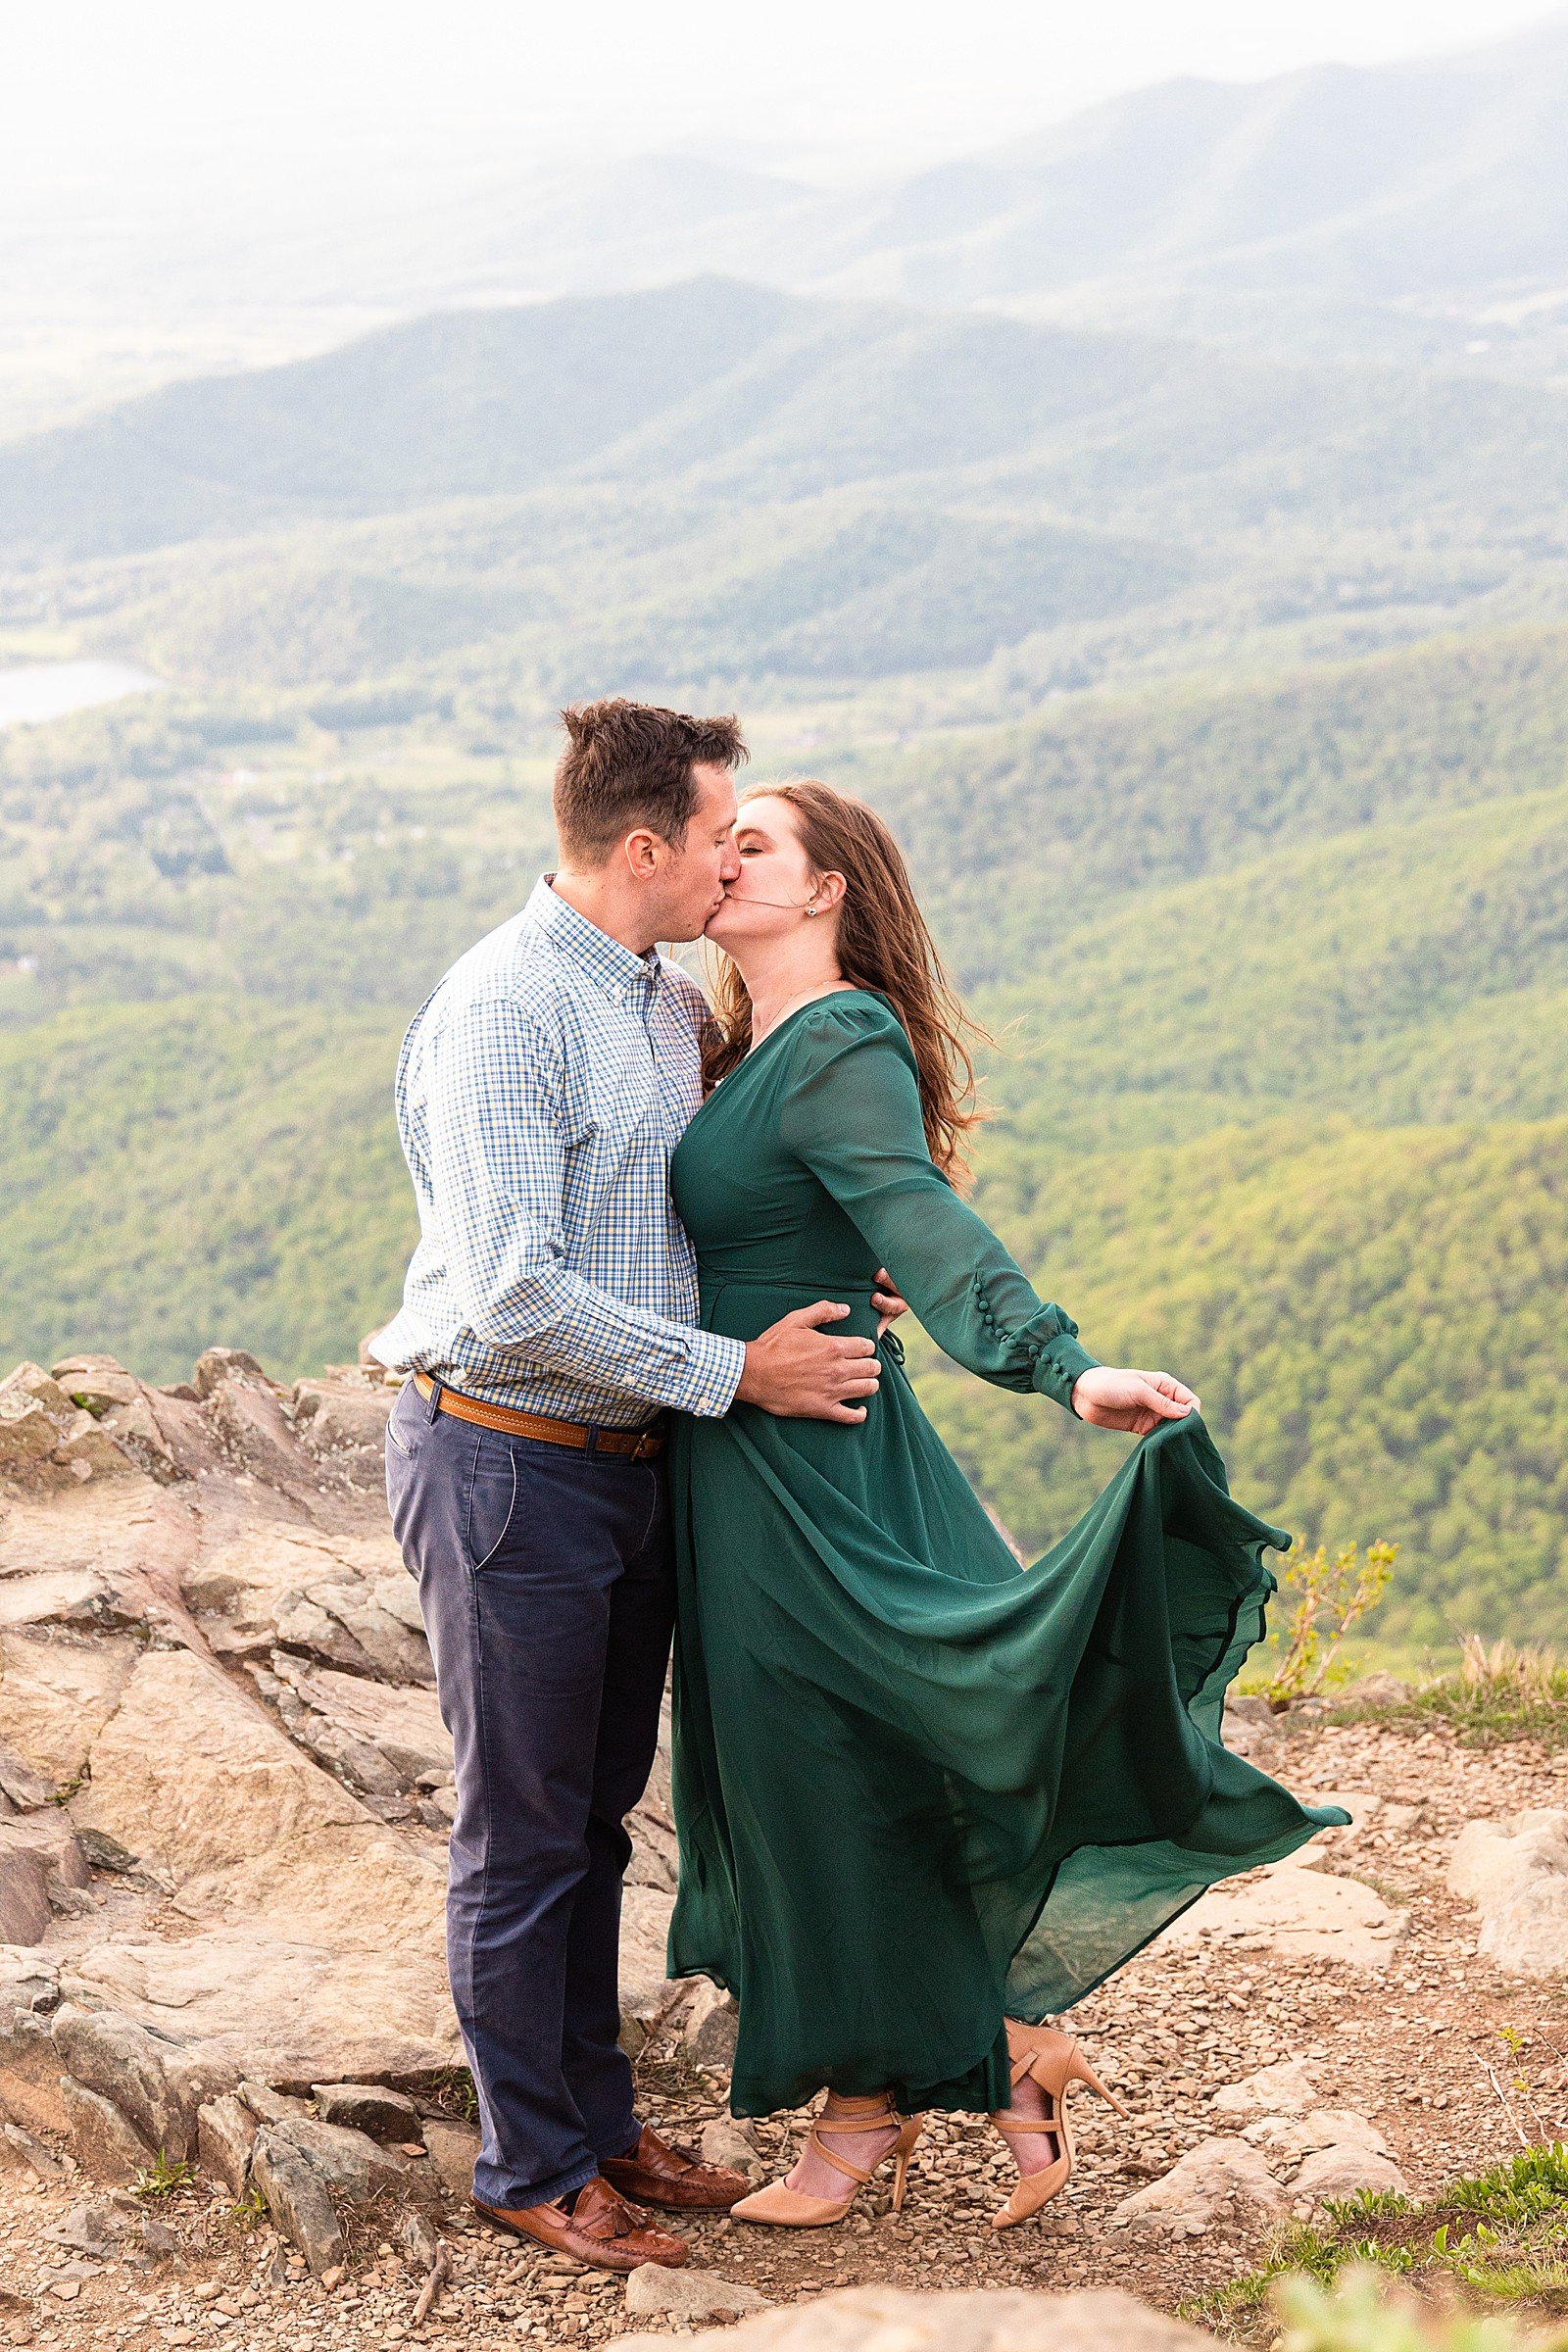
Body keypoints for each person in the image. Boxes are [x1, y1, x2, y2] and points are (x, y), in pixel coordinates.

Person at [664, 778, 1348, 2230]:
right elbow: (822, 1218)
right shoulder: (734, 1039)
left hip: (812, 1460)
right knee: (838, 1765)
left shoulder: (837, 1034)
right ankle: (1015, 2050)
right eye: (720, 843)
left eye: (755, 847)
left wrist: (1067, 1369)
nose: (723, 866)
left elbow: (924, 1218)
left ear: (830, 886)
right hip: (750, 1441)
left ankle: (860, 2121)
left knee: (826, 1773)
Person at [373, 702, 913, 2273]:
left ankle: (598, 2122)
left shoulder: (664, 1004)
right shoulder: (507, 1010)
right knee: (522, 1832)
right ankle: (531, 2163)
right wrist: (738, 1374)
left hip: (630, 1466)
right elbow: (515, 1296)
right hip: (508, 1460)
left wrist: (819, 1288)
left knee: (598, 1826)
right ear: (640, 851)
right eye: (718, 835)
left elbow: (686, 1227)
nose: (732, 858)